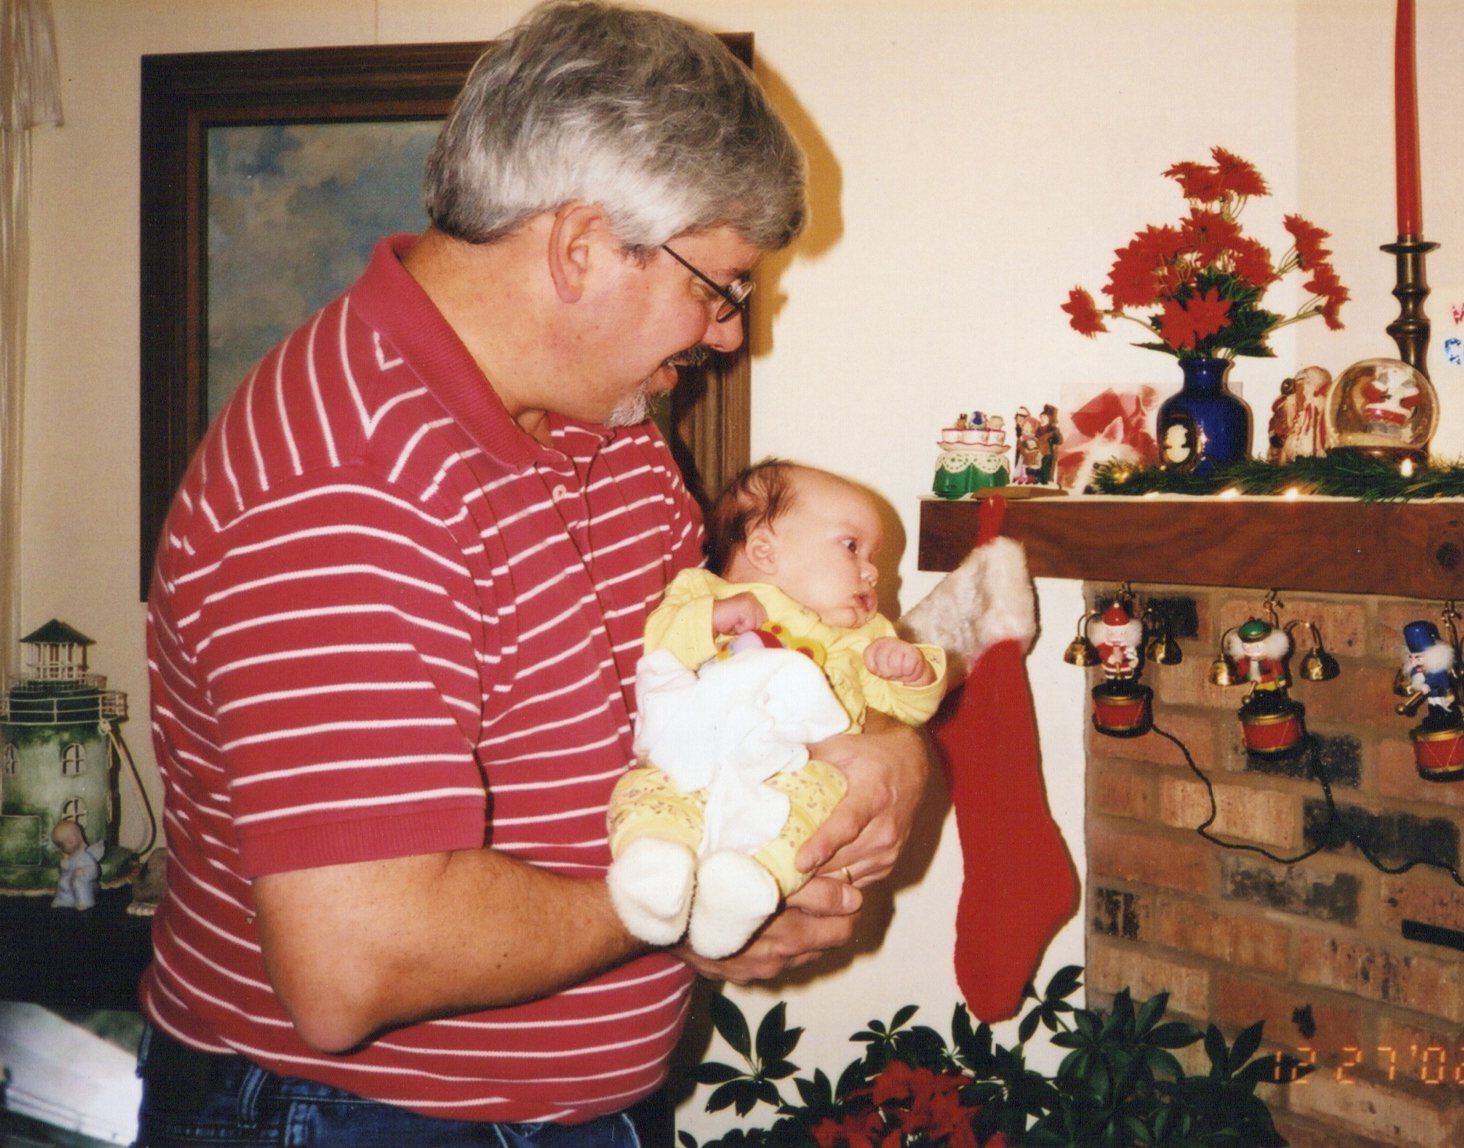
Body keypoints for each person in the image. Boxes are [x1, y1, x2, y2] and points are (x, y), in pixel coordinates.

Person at [136, 4, 930, 1145]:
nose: (722, 335)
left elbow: (724, 670)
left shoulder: (605, 426)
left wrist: (882, 754)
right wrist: (691, 902)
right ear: (580, 246)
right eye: (719, 286)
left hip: (577, 1109)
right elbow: (352, 961)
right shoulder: (346, 474)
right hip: (351, 1117)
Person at [607, 461, 946, 959]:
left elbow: (905, 709)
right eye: (852, 546)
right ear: (765, 549)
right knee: (648, 790)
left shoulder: (862, 638)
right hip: (698, 755)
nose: (872, 570)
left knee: (816, 814)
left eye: (873, 556)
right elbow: (658, 647)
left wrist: (914, 672)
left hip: (797, 774)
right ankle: (653, 870)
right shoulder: (702, 593)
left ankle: (745, 889)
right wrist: (711, 619)